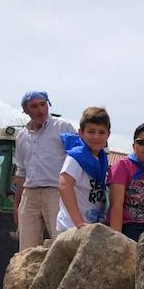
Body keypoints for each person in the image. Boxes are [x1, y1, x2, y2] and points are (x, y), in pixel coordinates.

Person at [13, 90, 75, 250]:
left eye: (43, 104)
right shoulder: (21, 136)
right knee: (26, 248)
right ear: (26, 110)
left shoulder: (63, 127)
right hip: (29, 195)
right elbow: (21, 171)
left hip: (56, 193)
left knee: (61, 244)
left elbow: (77, 160)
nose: (40, 110)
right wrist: (17, 203)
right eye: (34, 106)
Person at [56, 107, 111, 232]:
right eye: (91, 132)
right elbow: (64, 185)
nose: (96, 136)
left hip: (90, 225)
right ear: (81, 133)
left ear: (108, 134)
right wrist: (79, 223)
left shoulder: (102, 159)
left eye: (101, 132)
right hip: (72, 227)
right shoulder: (76, 157)